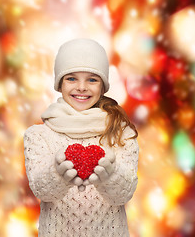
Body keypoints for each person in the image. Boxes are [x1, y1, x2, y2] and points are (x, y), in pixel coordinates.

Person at [23, 38, 139, 237]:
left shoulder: (121, 133)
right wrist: (58, 173)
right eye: (72, 78)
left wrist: (110, 173)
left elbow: (124, 194)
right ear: (59, 84)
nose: (82, 87)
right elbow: (42, 191)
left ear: (103, 86)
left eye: (92, 79)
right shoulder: (38, 135)